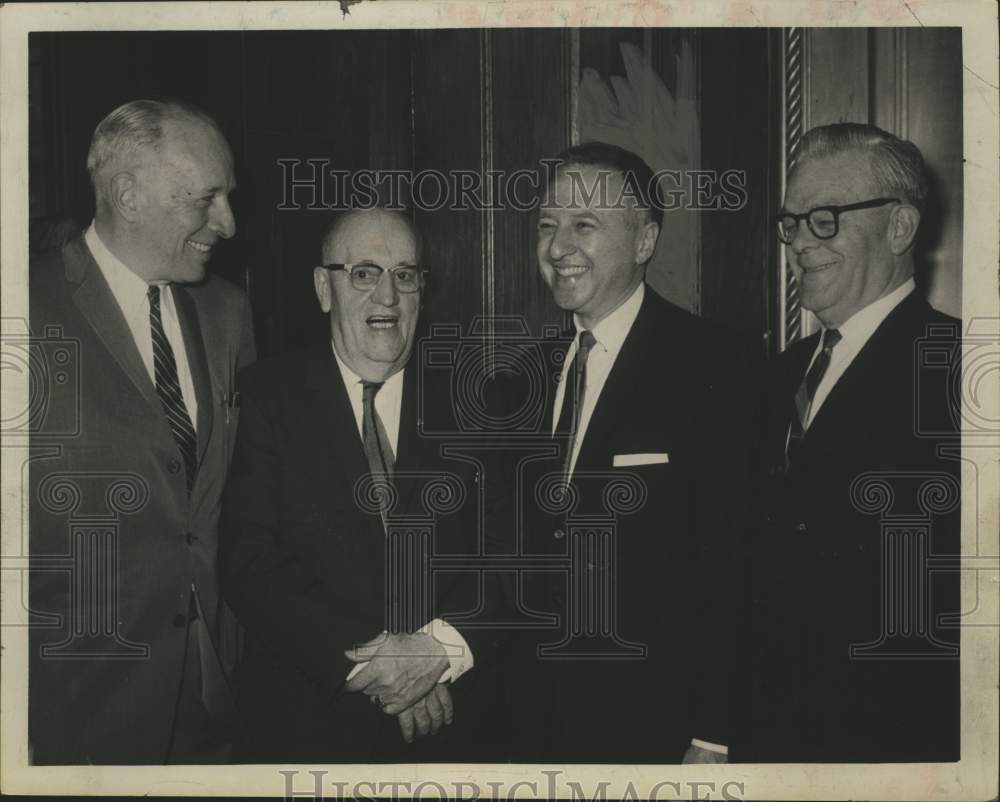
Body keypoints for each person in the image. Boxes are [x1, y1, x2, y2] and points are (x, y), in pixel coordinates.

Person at [220, 208, 500, 763]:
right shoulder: (265, 397)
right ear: (324, 288)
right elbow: (248, 559)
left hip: (455, 736)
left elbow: (513, 552)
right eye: (364, 274)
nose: (387, 297)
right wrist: (381, 668)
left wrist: (436, 655)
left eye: (405, 275)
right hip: (308, 730)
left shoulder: (477, 401)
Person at [506, 141, 756, 763]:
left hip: (657, 732)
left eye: (585, 224)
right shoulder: (521, 379)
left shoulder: (717, 365)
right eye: (547, 225)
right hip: (529, 727)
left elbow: (734, 563)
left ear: (644, 241)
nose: (557, 247)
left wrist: (714, 734)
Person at [28, 99, 256, 764]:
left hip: (217, 701)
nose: (228, 223)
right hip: (73, 710)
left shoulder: (228, 313)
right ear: (128, 195)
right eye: (206, 199)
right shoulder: (22, 308)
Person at [736, 122, 961, 762]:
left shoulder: (959, 369)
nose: (801, 243)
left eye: (825, 219)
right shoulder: (775, 375)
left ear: (900, 227)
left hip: (892, 748)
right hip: (768, 740)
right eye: (791, 223)